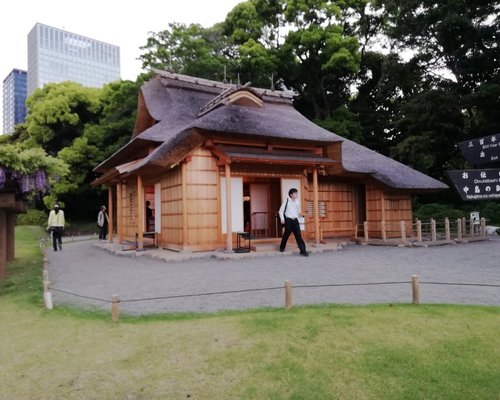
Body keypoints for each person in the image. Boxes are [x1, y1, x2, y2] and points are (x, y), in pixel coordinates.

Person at [278, 188, 308, 256]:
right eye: (295, 193)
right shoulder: (286, 201)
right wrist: (282, 219)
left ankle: (303, 251)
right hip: (288, 220)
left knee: (298, 236)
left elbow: (297, 212)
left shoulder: (297, 202)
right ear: (291, 194)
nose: (296, 194)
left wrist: (299, 216)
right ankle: (282, 248)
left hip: (295, 220)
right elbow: (281, 211)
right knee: (286, 235)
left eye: (297, 193)